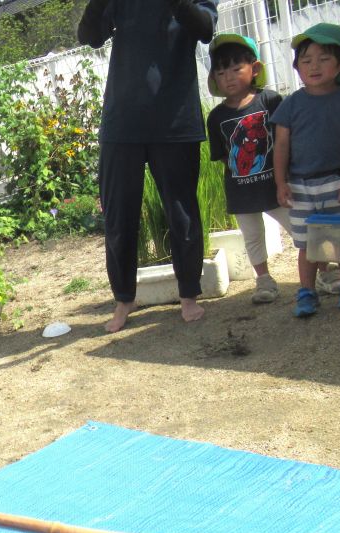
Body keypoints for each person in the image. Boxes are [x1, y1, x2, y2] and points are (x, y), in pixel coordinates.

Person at [78, 0, 217, 331]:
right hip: (122, 121)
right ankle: (124, 298)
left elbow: (205, 29)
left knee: (181, 212)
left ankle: (188, 294)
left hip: (174, 119)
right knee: (118, 215)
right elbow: (89, 35)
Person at [270, 23, 340, 317]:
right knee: (307, 244)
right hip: (300, 186)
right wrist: (280, 183)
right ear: (296, 66)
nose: (313, 66)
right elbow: (281, 146)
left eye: (324, 58)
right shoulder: (291, 104)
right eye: (306, 60)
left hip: (338, 181)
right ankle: (307, 291)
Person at [206, 33, 292, 304]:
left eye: (235, 68)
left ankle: (323, 269)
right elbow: (222, 156)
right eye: (221, 72)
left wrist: (283, 179)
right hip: (241, 191)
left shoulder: (270, 100)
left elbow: (283, 142)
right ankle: (264, 280)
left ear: (254, 69)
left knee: (300, 227)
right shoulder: (216, 116)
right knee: (253, 237)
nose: (229, 77)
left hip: (277, 185)